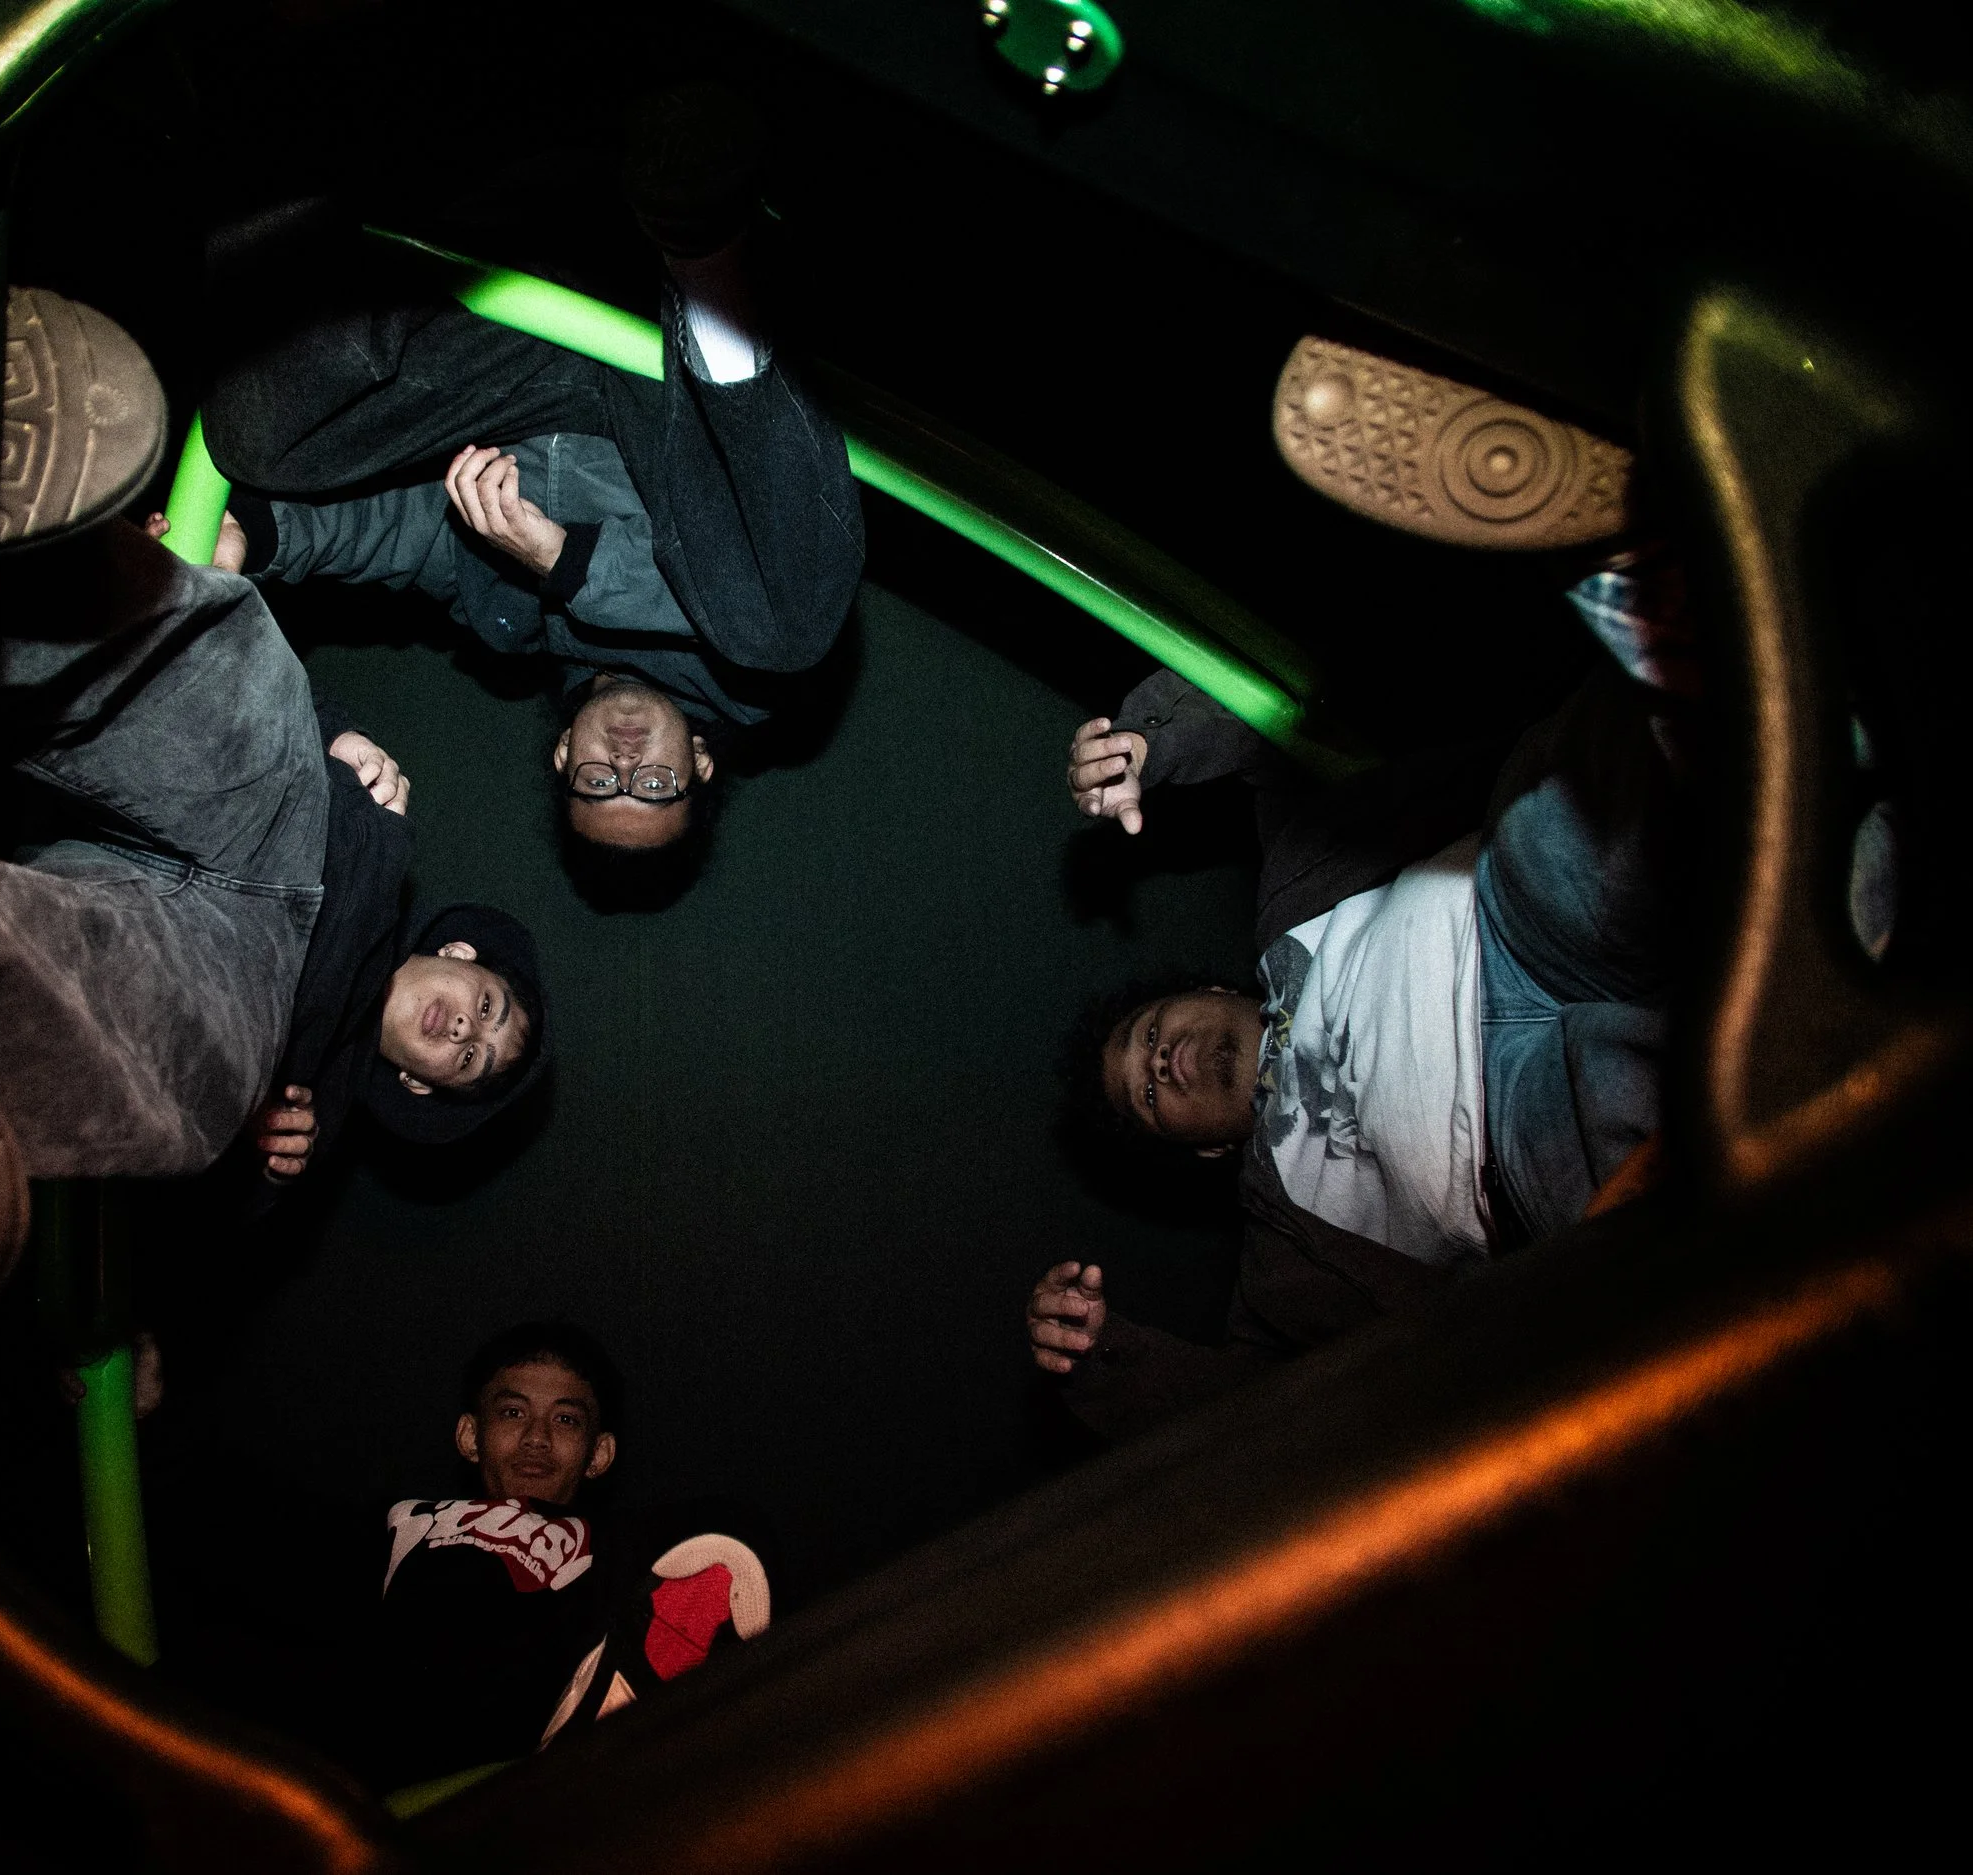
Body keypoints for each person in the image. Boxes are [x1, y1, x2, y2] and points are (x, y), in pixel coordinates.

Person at [0, 288, 551, 1327]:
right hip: (276, 838)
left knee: (196, 1090)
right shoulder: (387, 849)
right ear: (463, 960)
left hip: (224, 977)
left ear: (422, 1086)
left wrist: (262, 1169)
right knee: (238, 681)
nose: (466, 1027)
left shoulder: (313, 1121)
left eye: (467, 1055)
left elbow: (208, 1232)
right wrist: (332, 729)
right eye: (489, 1008)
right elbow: (293, 748)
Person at [1027, 551, 1687, 1437]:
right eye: (1149, 1092)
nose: (1165, 1059)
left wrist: (1147, 742)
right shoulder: (1281, 1270)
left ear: (1218, 987)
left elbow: (1261, 714)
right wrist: (1098, 1357)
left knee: (1570, 830)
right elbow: (1262, 1424)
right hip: (1523, 1145)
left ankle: (1707, 634)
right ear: (1204, 1156)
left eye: (1151, 1033)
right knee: (1668, 1173)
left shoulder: (1295, 887)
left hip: (1498, 912)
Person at [200, 87, 865, 885]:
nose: (624, 762)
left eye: (597, 783)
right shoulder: (751, 680)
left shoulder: (509, 616)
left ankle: (274, 139)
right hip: (664, 368)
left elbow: (401, 533)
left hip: (524, 341)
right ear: (699, 762)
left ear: (562, 756)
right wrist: (566, 560)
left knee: (259, 440)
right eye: (654, 785)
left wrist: (259, 537)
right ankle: (703, 231)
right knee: (784, 630)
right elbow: (769, 600)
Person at [363, 1323, 772, 1792]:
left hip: (538, 1708)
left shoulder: (617, 1541)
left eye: (566, 1420)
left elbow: (730, 1534)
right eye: (513, 1412)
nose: (536, 1438)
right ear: (470, 1436)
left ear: (599, 1454)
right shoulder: (403, 1519)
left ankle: (611, 1714)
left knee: (725, 1536)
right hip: (407, 1712)